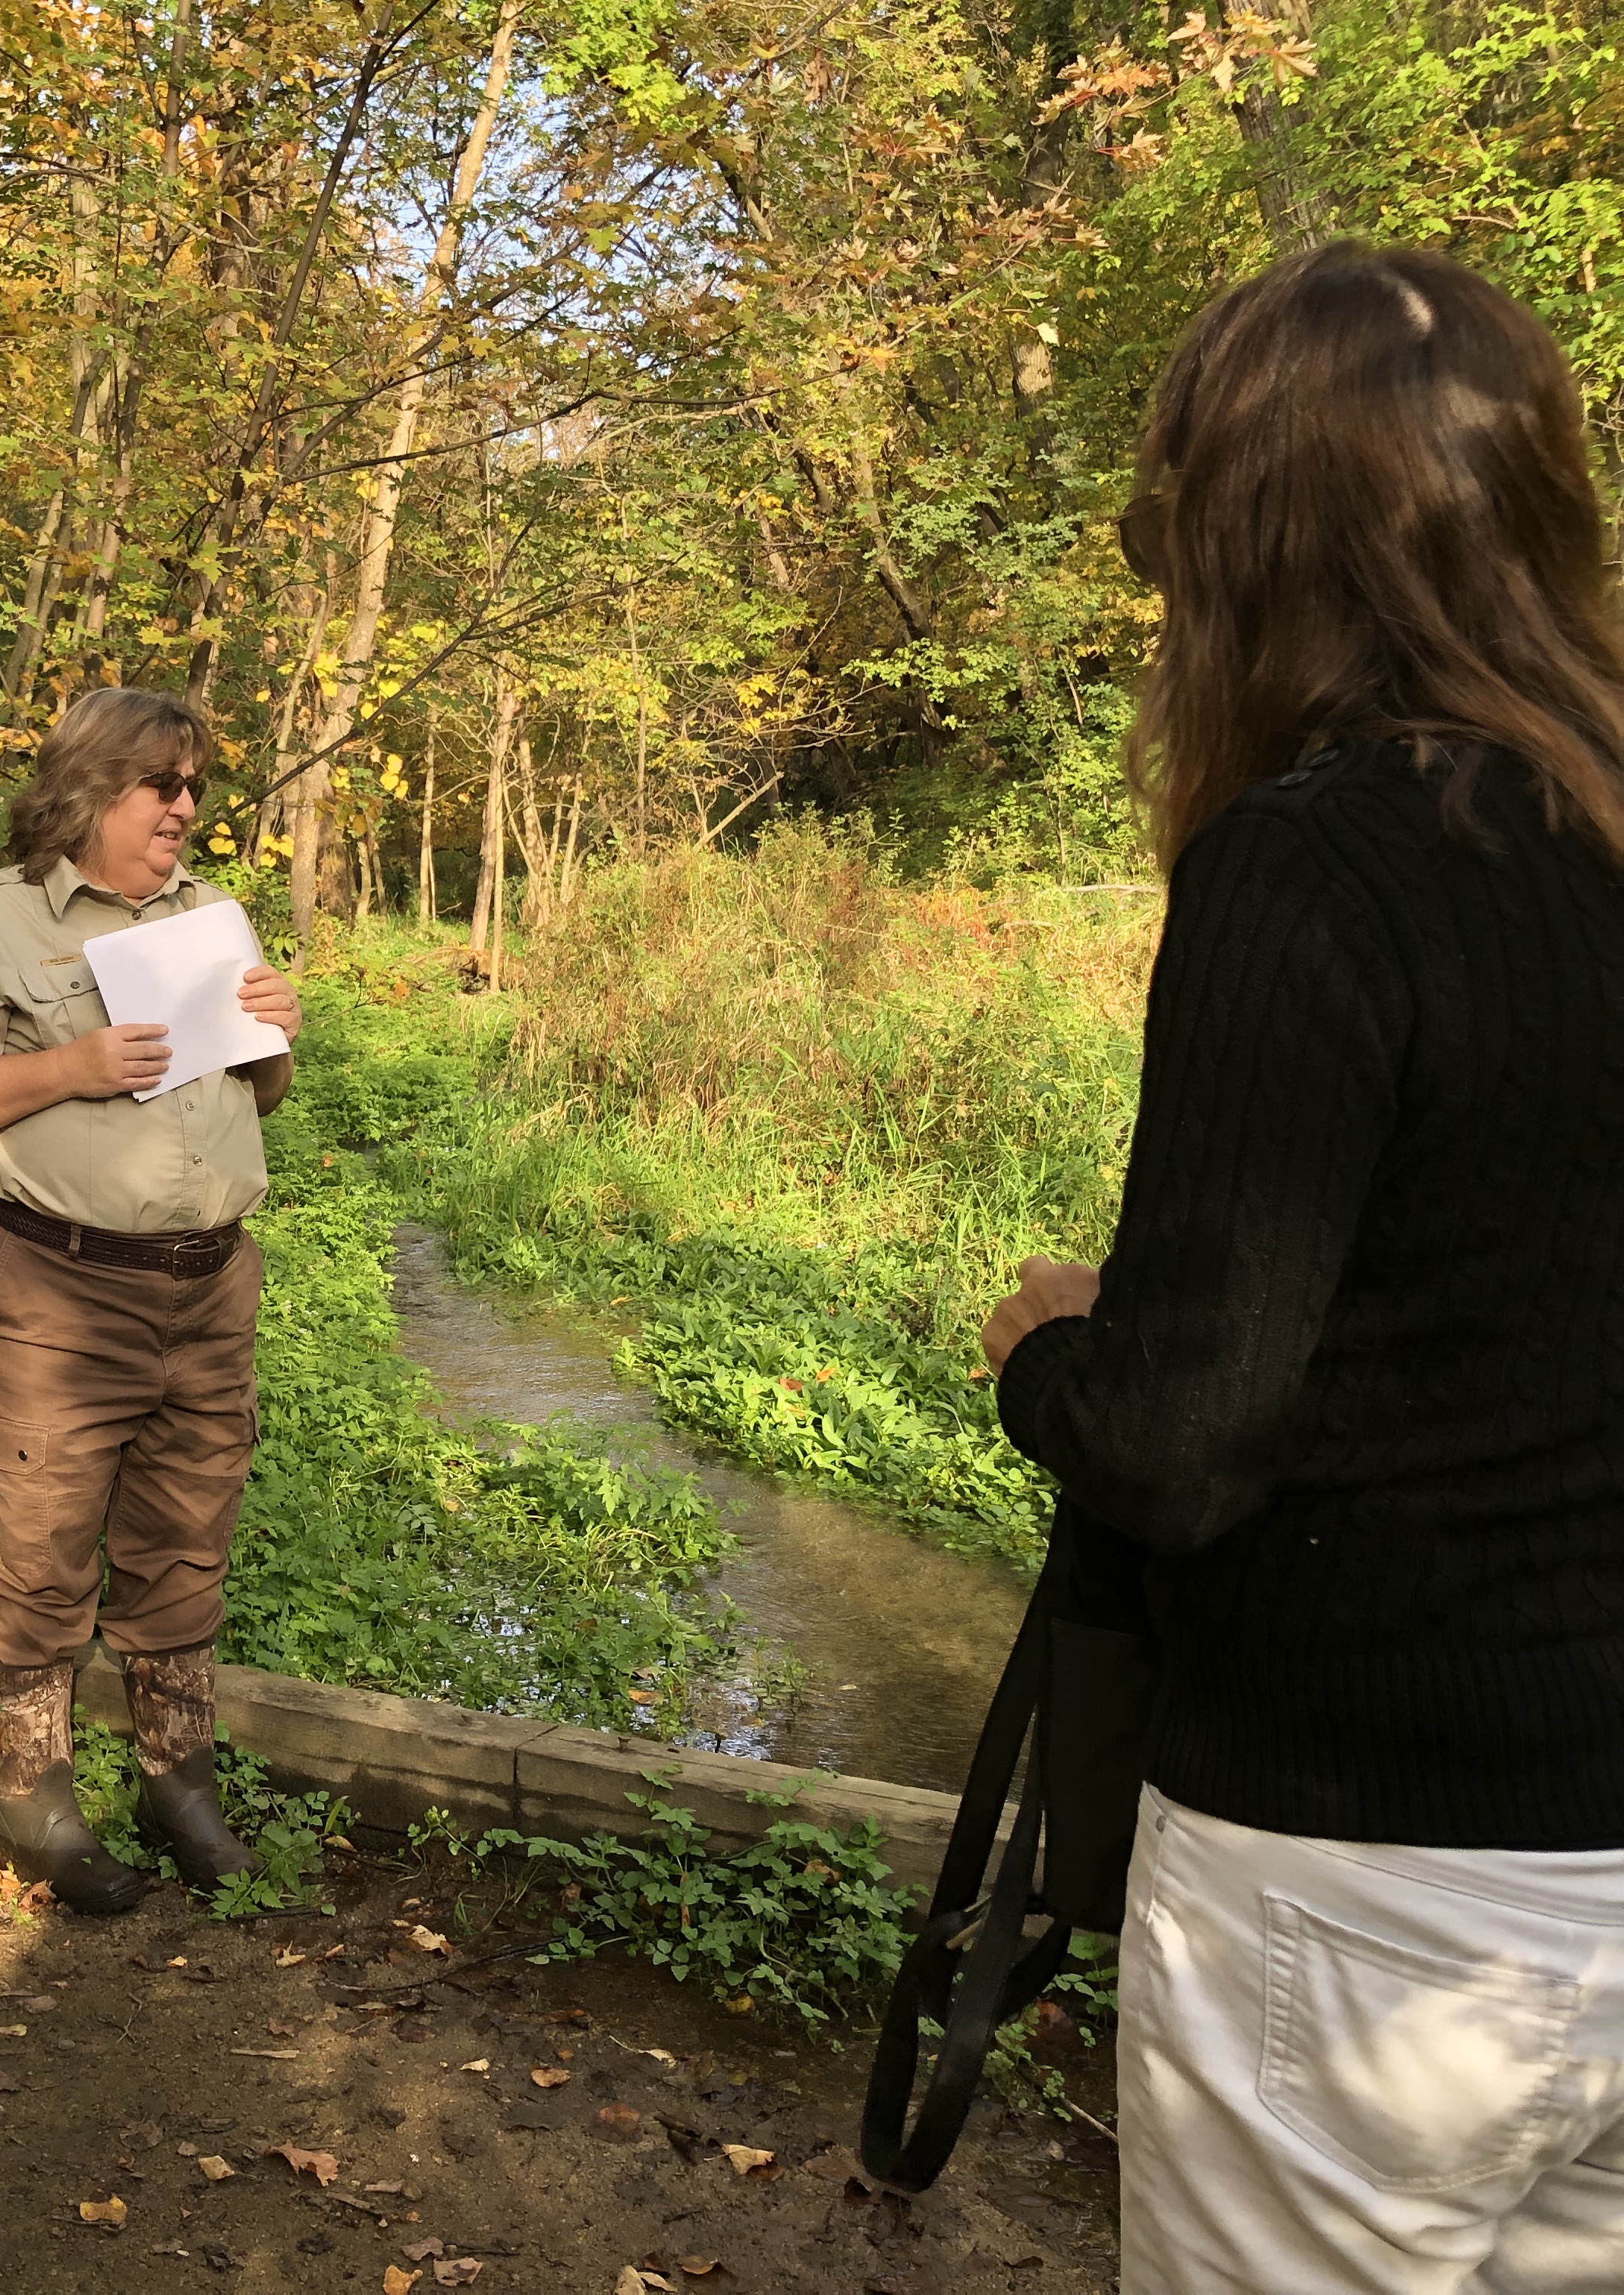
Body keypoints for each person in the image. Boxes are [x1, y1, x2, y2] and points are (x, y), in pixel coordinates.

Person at [983, 244, 1624, 2292]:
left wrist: (1049, 1359)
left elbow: (1177, 1443)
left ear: (1243, 552)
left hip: (1367, 1888)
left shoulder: (1323, 861)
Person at [0, 687, 304, 1914]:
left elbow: (253, 1097)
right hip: (54, 1290)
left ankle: (181, 1785)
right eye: (162, 785)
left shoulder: (211, 915)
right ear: (88, 790)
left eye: (193, 787)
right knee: (46, 1541)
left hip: (209, 1282)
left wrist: (274, 1031)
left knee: (186, 1538)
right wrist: (69, 1065)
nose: (186, 808)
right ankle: (37, 1803)